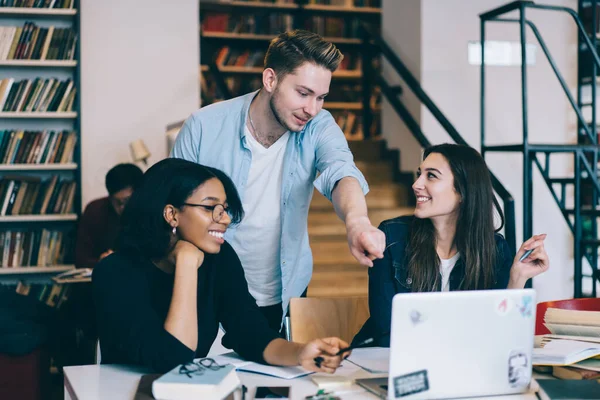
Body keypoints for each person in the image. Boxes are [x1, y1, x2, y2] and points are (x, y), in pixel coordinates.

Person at [171, 30, 386, 331]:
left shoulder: (318, 125)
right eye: (303, 93)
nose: (312, 109)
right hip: (210, 289)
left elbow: (341, 171)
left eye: (321, 97)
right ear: (270, 80)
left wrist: (358, 222)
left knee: (279, 376)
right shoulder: (204, 126)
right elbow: (171, 206)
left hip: (285, 292)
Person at [92, 158, 351, 373]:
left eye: (224, 209)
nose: (225, 219)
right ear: (171, 214)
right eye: (210, 208)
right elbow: (171, 358)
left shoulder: (219, 258)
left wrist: (301, 353)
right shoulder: (115, 272)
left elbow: (251, 333)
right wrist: (185, 263)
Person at [353, 144, 550, 347]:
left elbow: (500, 337)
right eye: (419, 174)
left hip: (458, 367)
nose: (416, 184)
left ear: (463, 192)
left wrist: (517, 278)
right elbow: (387, 331)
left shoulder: (494, 250)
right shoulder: (392, 237)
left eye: (431, 176)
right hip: (388, 365)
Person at [75, 163, 143, 269]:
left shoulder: (148, 213)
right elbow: (80, 259)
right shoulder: (95, 210)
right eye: (117, 202)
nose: (122, 207)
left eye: (127, 201)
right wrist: (100, 261)